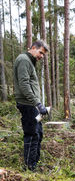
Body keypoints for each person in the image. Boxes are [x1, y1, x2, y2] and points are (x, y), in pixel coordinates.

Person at [14, 40, 49, 171]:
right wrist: (37, 103)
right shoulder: (24, 60)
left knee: (38, 133)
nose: (41, 56)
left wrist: (38, 104)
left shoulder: (30, 61)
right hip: (28, 104)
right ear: (33, 48)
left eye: (43, 54)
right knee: (32, 134)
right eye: (40, 52)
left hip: (32, 105)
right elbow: (24, 85)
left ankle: (35, 163)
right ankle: (30, 167)